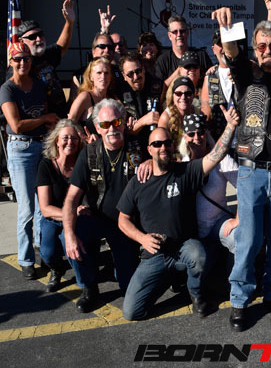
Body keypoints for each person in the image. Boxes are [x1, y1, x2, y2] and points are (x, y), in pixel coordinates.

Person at [212, 9, 271, 332]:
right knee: (248, 240)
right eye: (261, 46)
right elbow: (232, 54)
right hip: (251, 171)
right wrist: (227, 29)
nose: (268, 51)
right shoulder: (247, 74)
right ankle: (239, 299)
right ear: (255, 49)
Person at [118, 105, 238, 321]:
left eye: (166, 143)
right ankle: (167, 278)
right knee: (131, 312)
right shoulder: (138, 181)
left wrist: (230, 126)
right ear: (149, 150)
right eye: (157, 144)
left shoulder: (185, 171)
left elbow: (216, 155)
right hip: (154, 253)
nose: (163, 147)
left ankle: (196, 295)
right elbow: (122, 219)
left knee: (198, 256)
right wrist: (142, 238)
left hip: (184, 247)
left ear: (173, 145)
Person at [62, 99, 147, 312]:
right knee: (73, 234)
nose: (112, 128)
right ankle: (89, 287)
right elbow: (71, 198)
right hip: (97, 218)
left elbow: (165, 162)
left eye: (116, 122)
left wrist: (151, 161)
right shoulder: (89, 152)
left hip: (127, 223)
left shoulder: (140, 146)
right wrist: (69, 235)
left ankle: (123, 270)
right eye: (105, 124)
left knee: (128, 288)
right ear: (97, 128)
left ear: (124, 122)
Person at [1, 41, 59, 279]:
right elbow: (16, 125)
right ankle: (26, 259)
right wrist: (44, 119)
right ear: (10, 62)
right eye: (17, 59)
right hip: (21, 149)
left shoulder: (38, 85)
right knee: (26, 208)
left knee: (42, 205)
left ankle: (42, 251)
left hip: (41, 145)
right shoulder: (7, 88)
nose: (22, 63)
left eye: (26, 58)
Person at [177, 114, 238, 257]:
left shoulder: (222, 159)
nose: (197, 137)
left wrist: (237, 218)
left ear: (207, 134)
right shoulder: (182, 165)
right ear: (185, 137)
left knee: (237, 237)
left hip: (219, 224)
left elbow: (243, 185)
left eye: (201, 132)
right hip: (194, 233)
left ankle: (236, 273)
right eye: (191, 134)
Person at [36, 119, 86, 292]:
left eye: (74, 138)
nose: (69, 142)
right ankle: (57, 269)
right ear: (57, 140)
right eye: (65, 138)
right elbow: (45, 208)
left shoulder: (83, 164)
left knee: (70, 243)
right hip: (53, 217)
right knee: (47, 253)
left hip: (78, 218)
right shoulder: (46, 165)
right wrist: (72, 212)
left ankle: (85, 284)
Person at [9, 0, 75, 118]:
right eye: (32, 37)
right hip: (38, 121)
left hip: (59, 117)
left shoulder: (45, 54)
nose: (38, 39)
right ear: (21, 41)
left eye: (40, 35)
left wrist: (69, 23)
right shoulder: (17, 66)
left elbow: (62, 47)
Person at [116, 51, 164, 148]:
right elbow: (122, 131)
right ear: (124, 76)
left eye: (138, 71)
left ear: (144, 69)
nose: (136, 77)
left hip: (156, 143)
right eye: (130, 74)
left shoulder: (159, 86)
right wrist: (143, 121)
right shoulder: (119, 92)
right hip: (131, 146)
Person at [155, 15, 213, 83]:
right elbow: (161, 88)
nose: (179, 34)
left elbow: (212, 81)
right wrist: (179, 71)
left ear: (187, 33)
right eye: (175, 32)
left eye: (182, 31)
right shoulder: (163, 60)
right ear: (169, 35)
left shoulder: (201, 56)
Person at [201, 31, 236, 141]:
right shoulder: (210, 76)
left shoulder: (247, 70)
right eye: (221, 44)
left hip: (244, 140)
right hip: (219, 141)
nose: (224, 48)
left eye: (228, 43)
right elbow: (205, 113)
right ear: (213, 49)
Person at [68, 57, 115, 131]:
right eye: (99, 73)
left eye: (106, 73)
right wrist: (83, 137)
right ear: (91, 77)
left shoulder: (112, 98)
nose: (103, 77)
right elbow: (69, 125)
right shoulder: (85, 97)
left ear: (111, 77)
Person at [159, 76, 197, 151]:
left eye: (188, 93)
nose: (183, 97)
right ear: (173, 96)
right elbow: (162, 147)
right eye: (178, 93)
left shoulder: (197, 113)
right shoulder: (165, 118)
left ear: (193, 96)